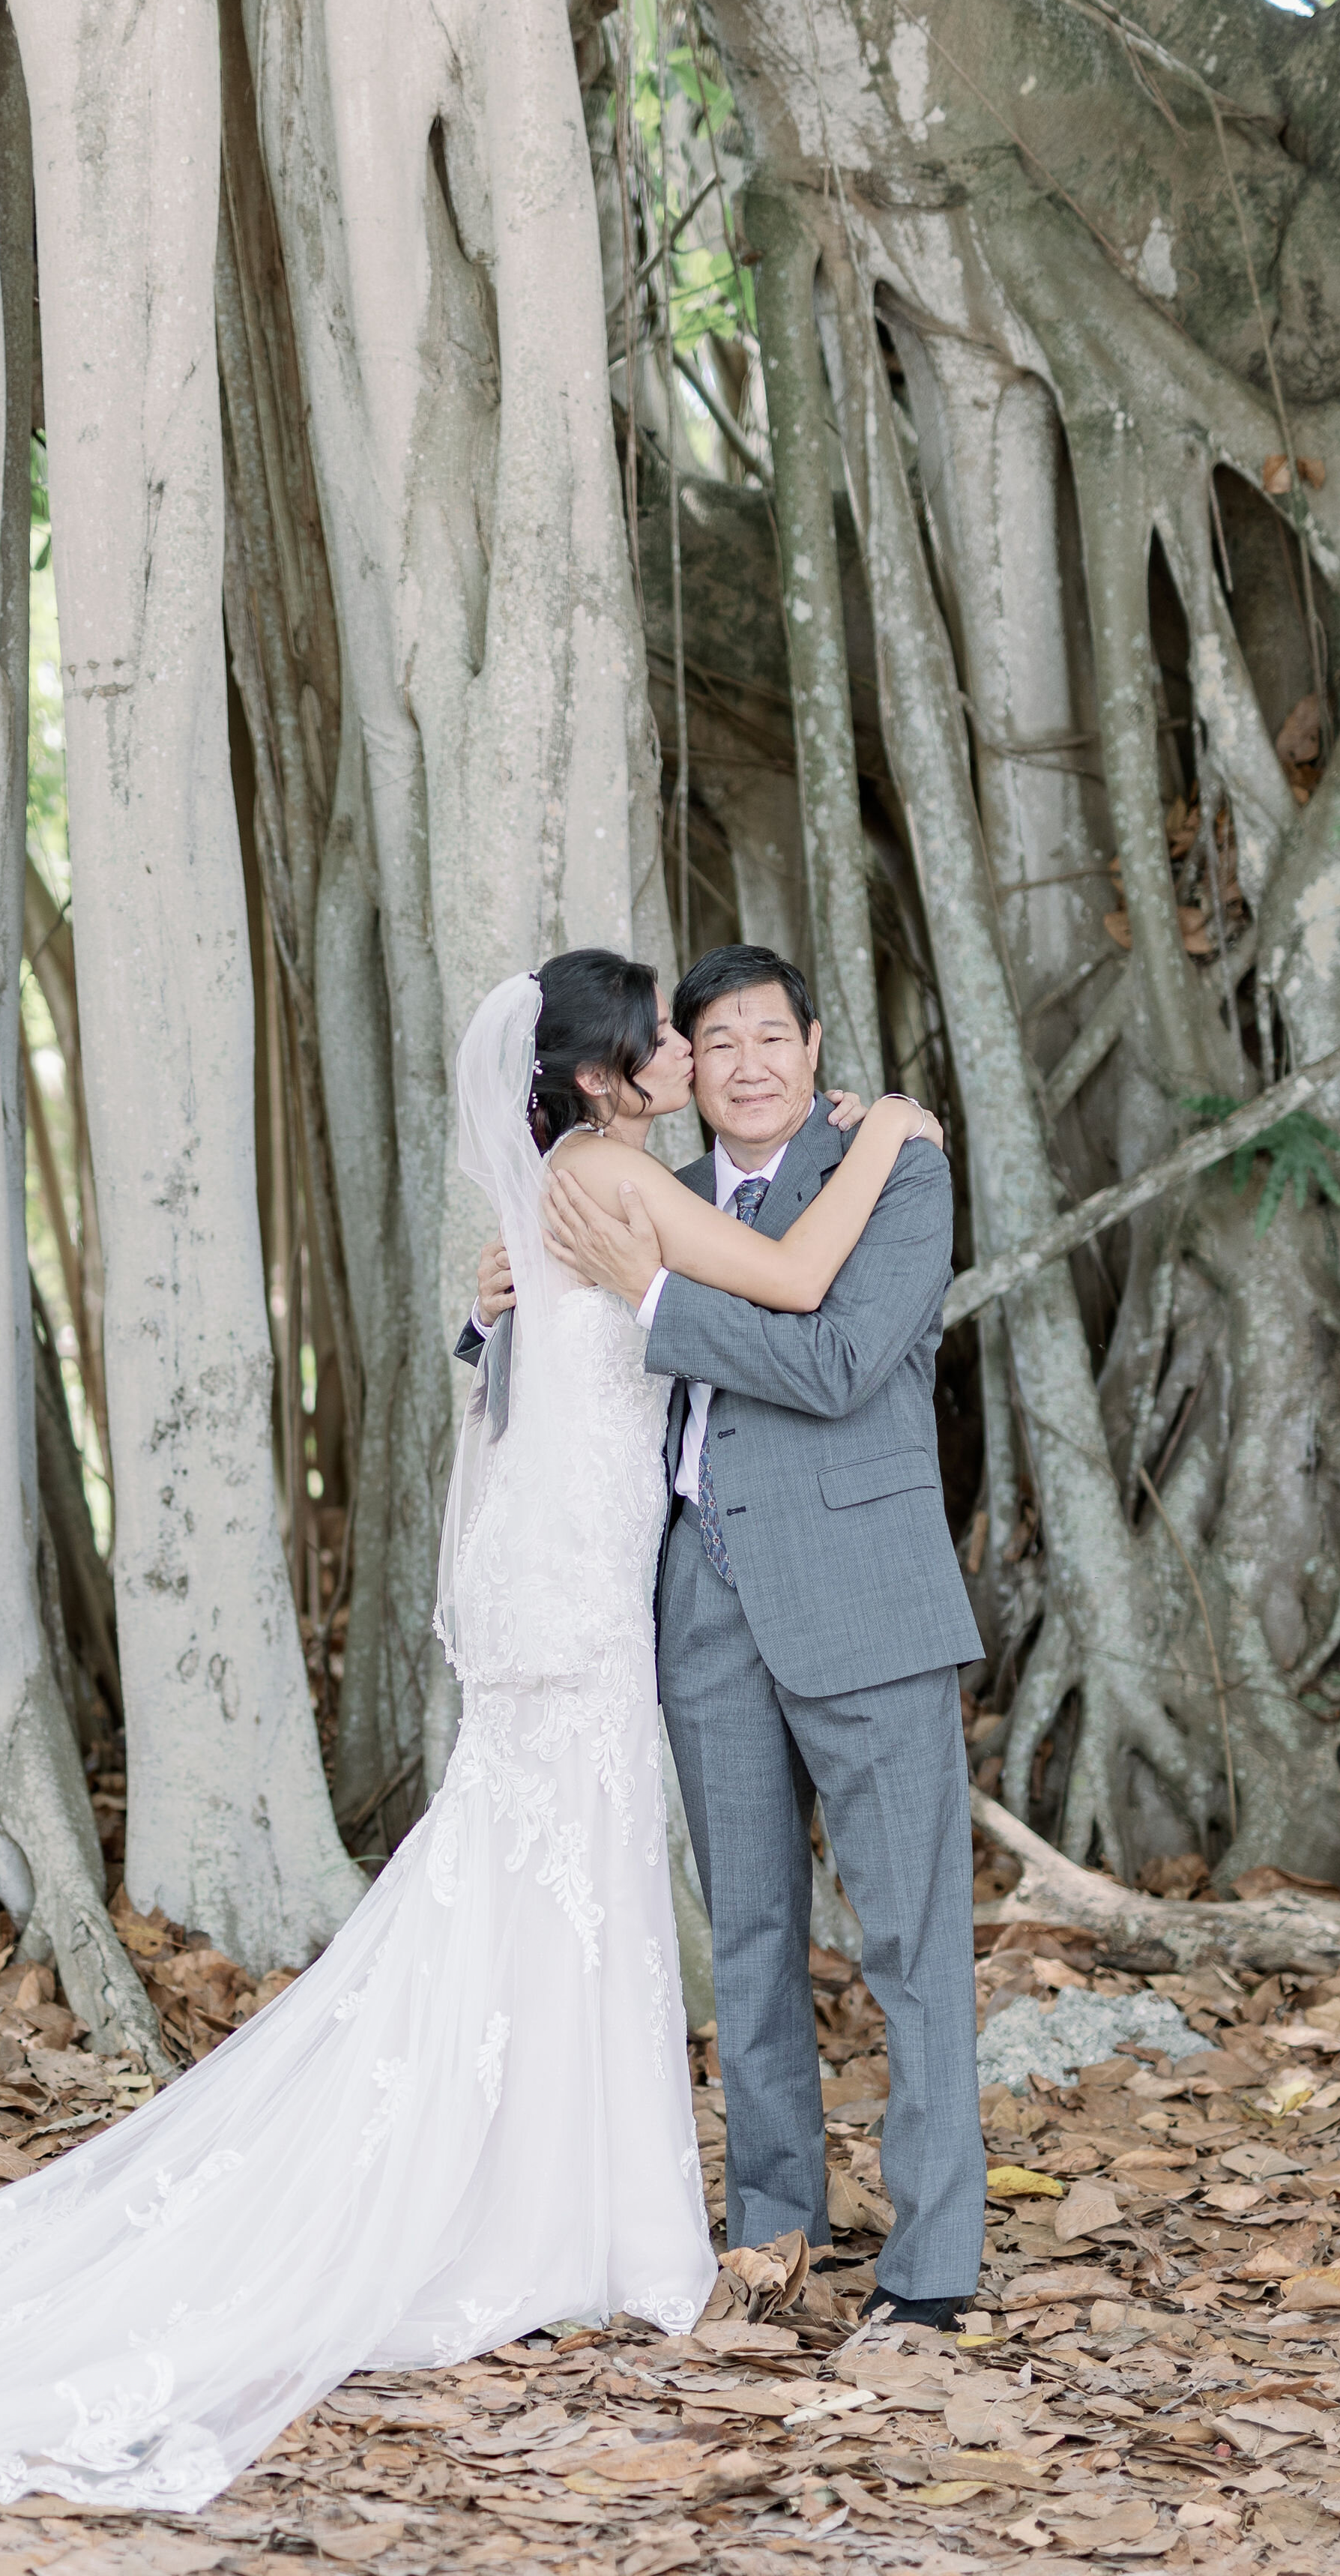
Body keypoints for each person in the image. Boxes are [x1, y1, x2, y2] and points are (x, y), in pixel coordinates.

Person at [0, 950, 935, 2512]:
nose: (682, 1049)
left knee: (542, 1880)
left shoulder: (581, 1182)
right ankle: (570, 2221)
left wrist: (488, 1309)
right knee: (561, 1871)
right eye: (661, 1034)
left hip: (555, 1573)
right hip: (576, 1593)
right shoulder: (620, 1183)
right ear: (599, 1075)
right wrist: (901, 1136)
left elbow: (566, 1336)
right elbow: (787, 1287)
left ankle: (558, 2209)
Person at [525, 944, 986, 2329]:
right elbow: (568, 1344)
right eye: (713, 1042)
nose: (744, 1064)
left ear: (815, 1044)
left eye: (769, 1038)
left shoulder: (895, 1173)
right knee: (750, 1943)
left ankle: (930, 2274)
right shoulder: (645, 1193)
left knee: (912, 1943)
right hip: (701, 1605)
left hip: (868, 1594)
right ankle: (771, 2238)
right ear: (681, 1068)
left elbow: (841, 1363)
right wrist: (501, 1310)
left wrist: (655, 1303)